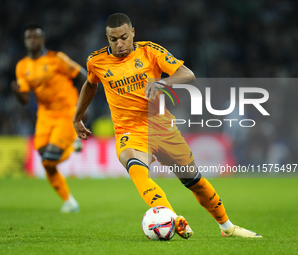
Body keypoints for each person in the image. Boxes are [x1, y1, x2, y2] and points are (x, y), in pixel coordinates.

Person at [73, 13, 262, 238]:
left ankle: (228, 228)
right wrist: (77, 117)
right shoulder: (96, 60)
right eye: (113, 40)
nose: (119, 44)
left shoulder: (151, 51)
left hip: (162, 126)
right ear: (107, 38)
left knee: (195, 182)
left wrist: (162, 81)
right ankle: (173, 219)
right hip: (130, 131)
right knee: (136, 167)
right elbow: (91, 84)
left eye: (123, 37)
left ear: (133, 32)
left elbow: (187, 74)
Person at [12, 24, 87, 213]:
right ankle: (69, 201)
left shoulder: (57, 59)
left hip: (66, 112)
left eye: (35, 37)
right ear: (25, 41)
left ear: (42, 39)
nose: (32, 41)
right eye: (28, 38)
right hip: (45, 115)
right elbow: (24, 98)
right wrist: (16, 93)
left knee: (51, 157)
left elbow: (83, 76)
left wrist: (82, 107)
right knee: (46, 161)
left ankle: (72, 143)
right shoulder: (22, 66)